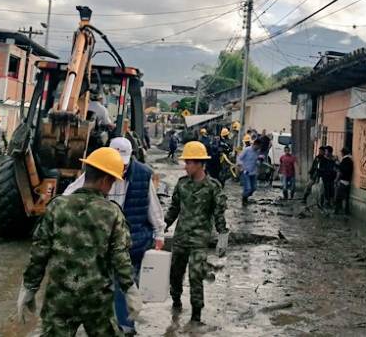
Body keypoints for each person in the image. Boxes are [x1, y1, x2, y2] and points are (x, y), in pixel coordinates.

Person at [17, 147, 142, 335]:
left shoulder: (57, 207)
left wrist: (29, 287)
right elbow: (120, 258)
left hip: (59, 299)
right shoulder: (111, 213)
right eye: (112, 182)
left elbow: (39, 253)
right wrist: (130, 289)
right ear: (106, 180)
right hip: (97, 300)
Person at [63, 137, 165, 335]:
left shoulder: (143, 175)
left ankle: (125, 328)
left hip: (132, 242)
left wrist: (159, 234)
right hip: (101, 243)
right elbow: (69, 195)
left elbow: (154, 209)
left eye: (123, 165)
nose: (120, 170)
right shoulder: (97, 173)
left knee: (124, 285)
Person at [165, 141, 228, 323]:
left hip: (199, 241)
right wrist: (163, 226)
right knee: (175, 274)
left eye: (189, 163)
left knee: (196, 276)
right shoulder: (182, 184)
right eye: (186, 162)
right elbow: (174, 209)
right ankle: (176, 301)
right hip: (180, 238)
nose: (186, 166)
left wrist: (222, 240)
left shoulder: (213, 187)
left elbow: (219, 215)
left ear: (200, 163)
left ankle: (196, 315)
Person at [237, 137, 259, 205]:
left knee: (254, 188)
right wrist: (241, 166)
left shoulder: (257, 152)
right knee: (248, 188)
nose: (258, 148)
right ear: (255, 144)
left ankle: (245, 196)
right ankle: (244, 199)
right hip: (246, 172)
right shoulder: (247, 150)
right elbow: (239, 158)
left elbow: (257, 162)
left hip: (253, 172)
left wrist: (260, 161)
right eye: (257, 147)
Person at [335, 147, 354, 215]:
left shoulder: (345, 160)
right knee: (346, 198)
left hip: (343, 181)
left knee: (338, 197)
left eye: (341, 153)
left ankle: (337, 211)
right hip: (348, 181)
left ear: (343, 153)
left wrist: (338, 164)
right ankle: (346, 211)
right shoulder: (350, 160)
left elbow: (342, 170)